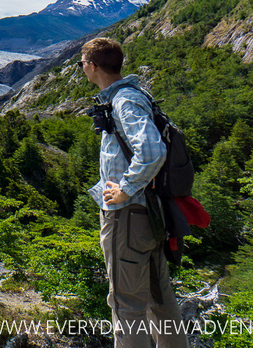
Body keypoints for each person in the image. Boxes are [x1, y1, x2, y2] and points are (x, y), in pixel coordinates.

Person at [80, 37, 189, 348]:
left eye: (83, 64)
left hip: (127, 218)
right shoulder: (134, 94)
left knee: (126, 303)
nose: (83, 69)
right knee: (159, 297)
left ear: (93, 66)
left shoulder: (123, 101)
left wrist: (126, 190)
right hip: (150, 213)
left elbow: (152, 152)